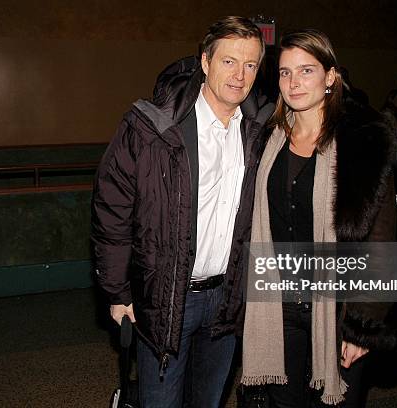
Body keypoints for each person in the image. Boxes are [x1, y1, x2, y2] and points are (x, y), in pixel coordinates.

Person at [91, 16, 274, 408]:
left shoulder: (261, 130)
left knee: (207, 401)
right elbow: (112, 211)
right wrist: (117, 291)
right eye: (229, 61)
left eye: (251, 64)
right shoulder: (152, 127)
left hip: (227, 298)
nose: (240, 75)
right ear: (205, 63)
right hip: (167, 296)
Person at [241, 29, 397, 407]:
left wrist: (362, 326)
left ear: (330, 77)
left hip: (338, 310)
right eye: (285, 72)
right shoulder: (269, 139)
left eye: (306, 71)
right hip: (278, 308)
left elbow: (381, 242)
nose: (294, 82)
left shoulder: (363, 143)